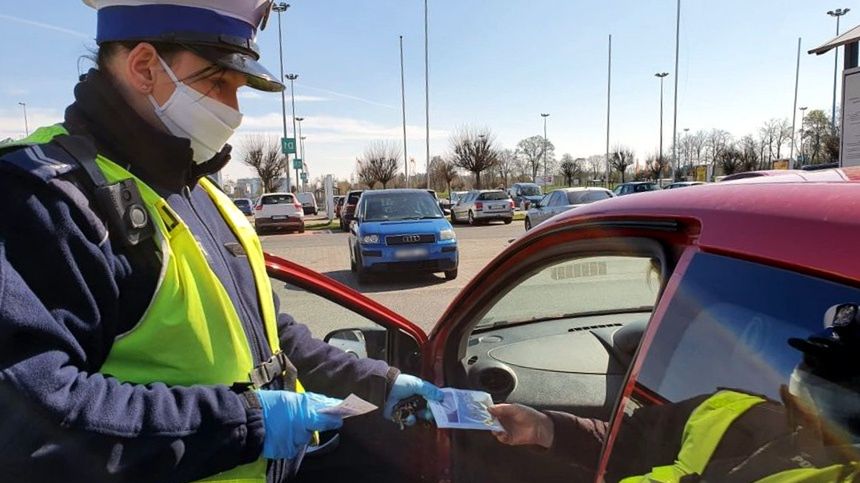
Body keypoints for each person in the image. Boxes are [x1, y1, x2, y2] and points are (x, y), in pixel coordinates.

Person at [0, 1, 441, 482]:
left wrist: (380, 384)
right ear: (144, 67)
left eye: (238, 88)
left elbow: (272, 335)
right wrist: (244, 422)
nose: (233, 110)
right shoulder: (43, 198)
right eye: (217, 82)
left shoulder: (200, 190)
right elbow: (28, 425)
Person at [489, 303, 860, 482]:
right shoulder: (729, 409)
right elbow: (629, 442)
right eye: (813, 360)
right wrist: (545, 428)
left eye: (839, 375)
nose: (808, 372)